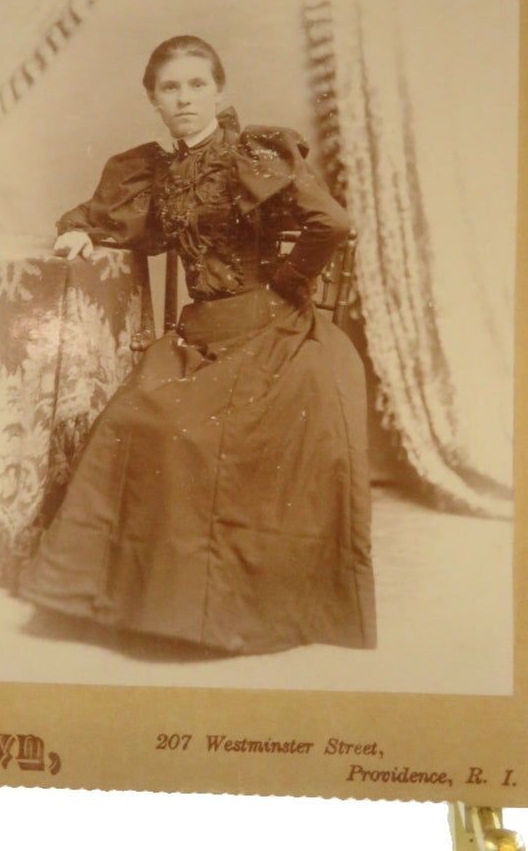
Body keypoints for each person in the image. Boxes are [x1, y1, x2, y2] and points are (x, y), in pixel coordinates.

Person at [19, 35, 376, 654]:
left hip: (275, 333)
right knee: (134, 421)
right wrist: (80, 230)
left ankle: (215, 612)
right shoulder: (155, 174)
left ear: (219, 91)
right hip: (200, 331)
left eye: (196, 85)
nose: (184, 98)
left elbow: (334, 224)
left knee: (202, 435)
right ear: (154, 99)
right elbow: (114, 219)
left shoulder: (254, 153)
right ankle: (136, 603)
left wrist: (292, 282)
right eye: (170, 88)